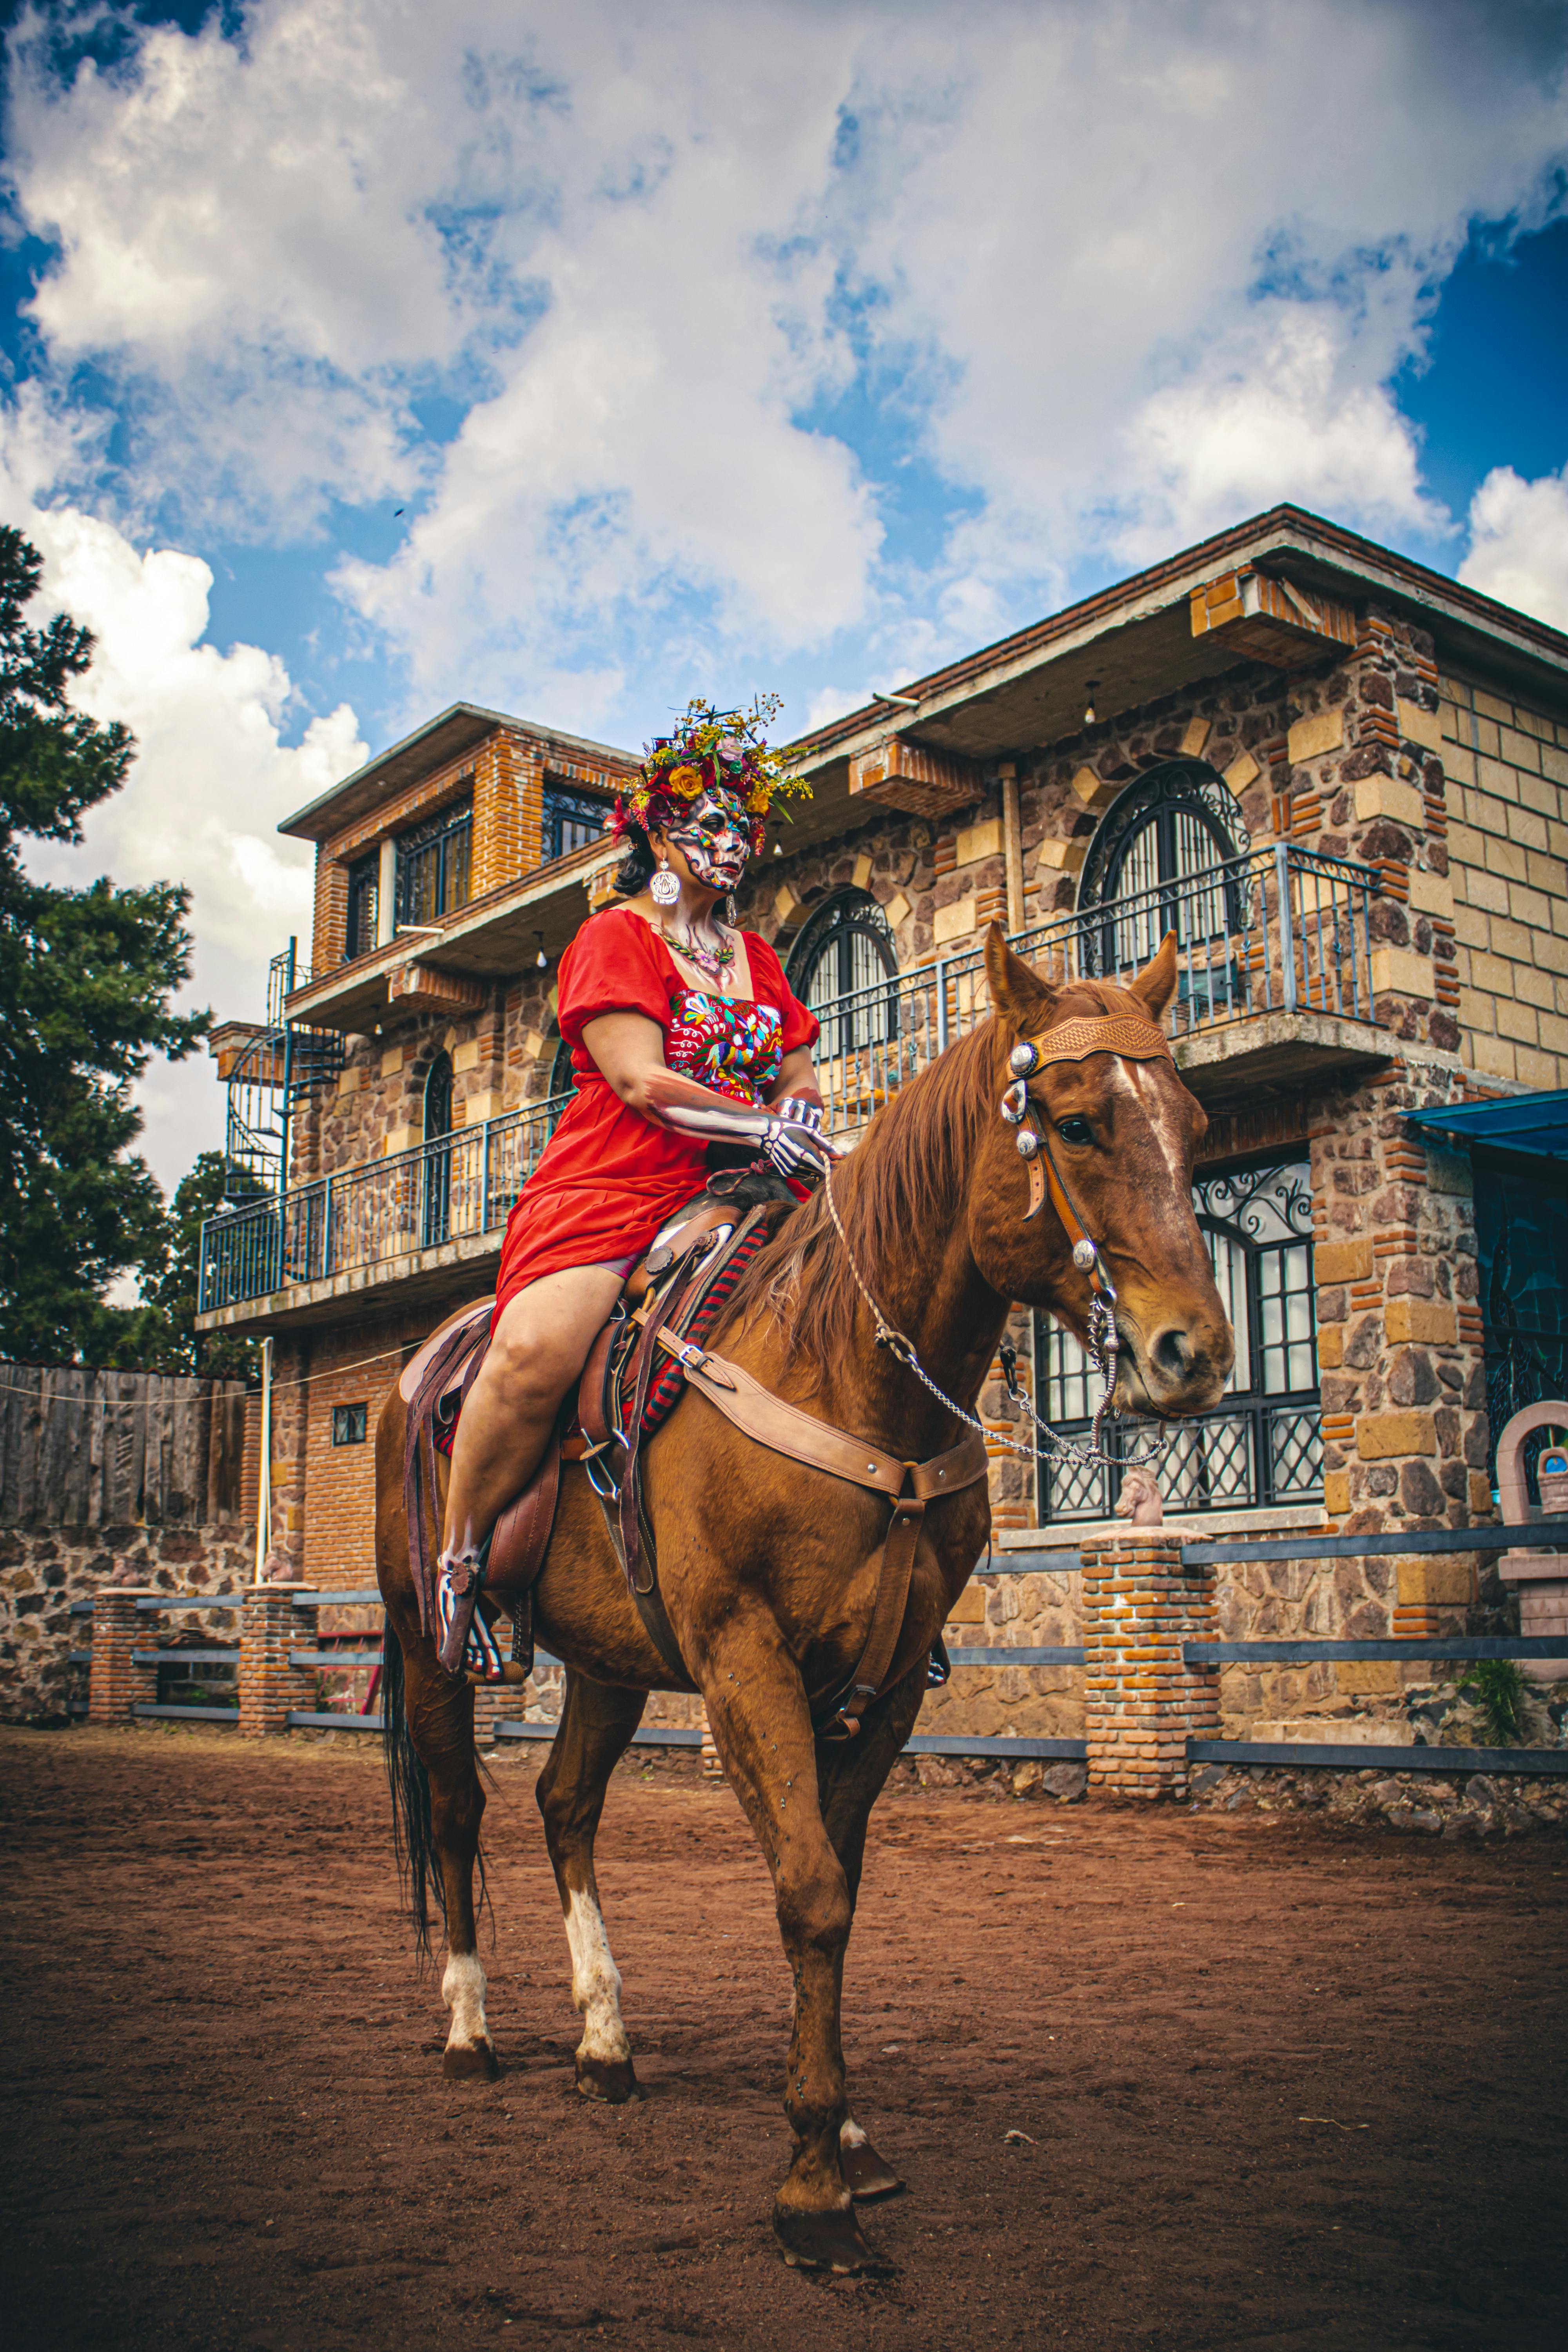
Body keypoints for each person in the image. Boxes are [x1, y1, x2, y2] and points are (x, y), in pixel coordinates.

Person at [436, 698, 834, 1674]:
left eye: (746, 826)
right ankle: (457, 1563)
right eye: (713, 823)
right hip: (614, 1186)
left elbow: (799, 1070)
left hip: (745, 1193)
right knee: (534, 1353)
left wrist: (801, 1122)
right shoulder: (615, 937)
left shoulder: (758, 959)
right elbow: (639, 1082)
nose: (732, 842)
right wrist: (761, 1127)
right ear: (659, 828)